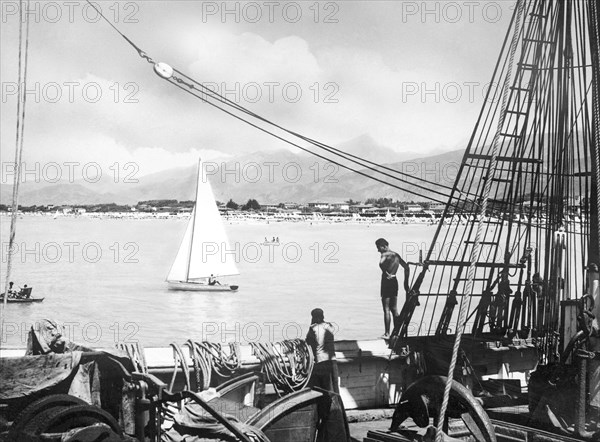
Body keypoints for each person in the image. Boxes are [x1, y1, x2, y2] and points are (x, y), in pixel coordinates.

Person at [375, 238, 410, 339]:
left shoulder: (385, 255)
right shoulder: (396, 255)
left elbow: (381, 265)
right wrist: (406, 283)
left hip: (386, 283)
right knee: (394, 309)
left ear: (384, 246)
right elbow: (406, 267)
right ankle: (397, 333)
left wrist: (386, 273)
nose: (378, 250)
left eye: (378, 247)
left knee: (386, 309)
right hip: (394, 281)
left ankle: (387, 333)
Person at [306, 308, 339, 393]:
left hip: (320, 362)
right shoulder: (330, 326)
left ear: (314, 317)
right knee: (330, 387)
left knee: (320, 389)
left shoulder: (313, 328)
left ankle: (323, 405)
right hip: (331, 361)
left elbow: (308, 345)